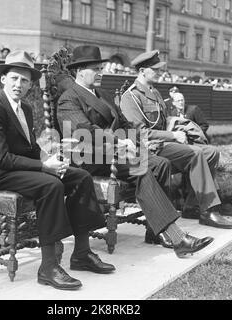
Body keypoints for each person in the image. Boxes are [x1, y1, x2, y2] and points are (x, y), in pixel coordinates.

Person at [0, 50, 116, 291]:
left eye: (25, 80)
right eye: (15, 78)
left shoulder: (25, 109)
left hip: (13, 167)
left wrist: (50, 157)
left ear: (30, 85)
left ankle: (81, 253)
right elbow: (0, 157)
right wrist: (43, 167)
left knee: (80, 176)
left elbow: (27, 149)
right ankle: (48, 267)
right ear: (4, 79)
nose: (19, 84)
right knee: (50, 185)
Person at [57, 45, 214, 257]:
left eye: (100, 67)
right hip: (87, 157)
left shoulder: (101, 95)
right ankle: (177, 237)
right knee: (140, 167)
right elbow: (84, 131)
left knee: (161, 164)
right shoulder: (69, 98)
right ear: (80, 71)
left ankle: (156, 232)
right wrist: (118, 142)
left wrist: (137, 142)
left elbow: (124, 123)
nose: (100, 72)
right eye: (95, 68)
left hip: (113, 153)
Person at [120, 50, 232, 229]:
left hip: (167, 144)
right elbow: (139, 133)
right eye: (154, 69)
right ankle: (209, 210)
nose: (159, 72)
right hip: (150, 148)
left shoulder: (155, 93)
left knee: (211, 153)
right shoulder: (131, 97)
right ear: (142, 71)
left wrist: (179, 128)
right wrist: (173, 135)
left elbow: (164, 121)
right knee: (196, 153)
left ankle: (191, 206)